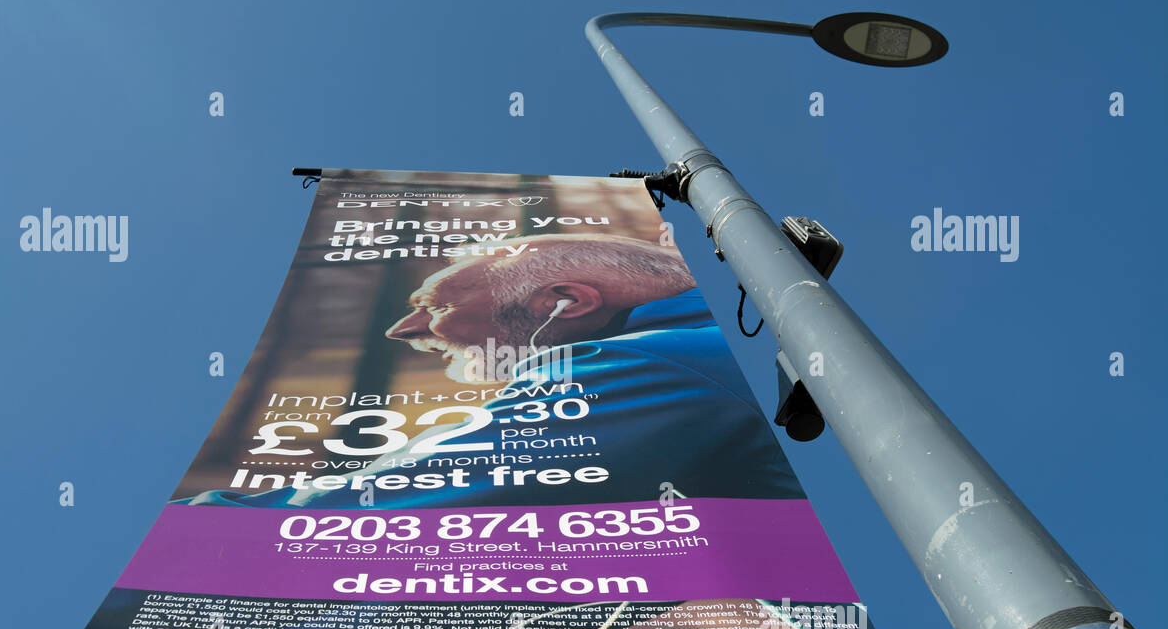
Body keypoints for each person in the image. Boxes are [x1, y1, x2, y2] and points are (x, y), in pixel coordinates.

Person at [178, 234, 802, 508]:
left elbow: (402, 513)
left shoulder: (654, 361)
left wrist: (181, 549)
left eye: (437, 305)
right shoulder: (733, 347)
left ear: (564, 303)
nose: (404, 331)